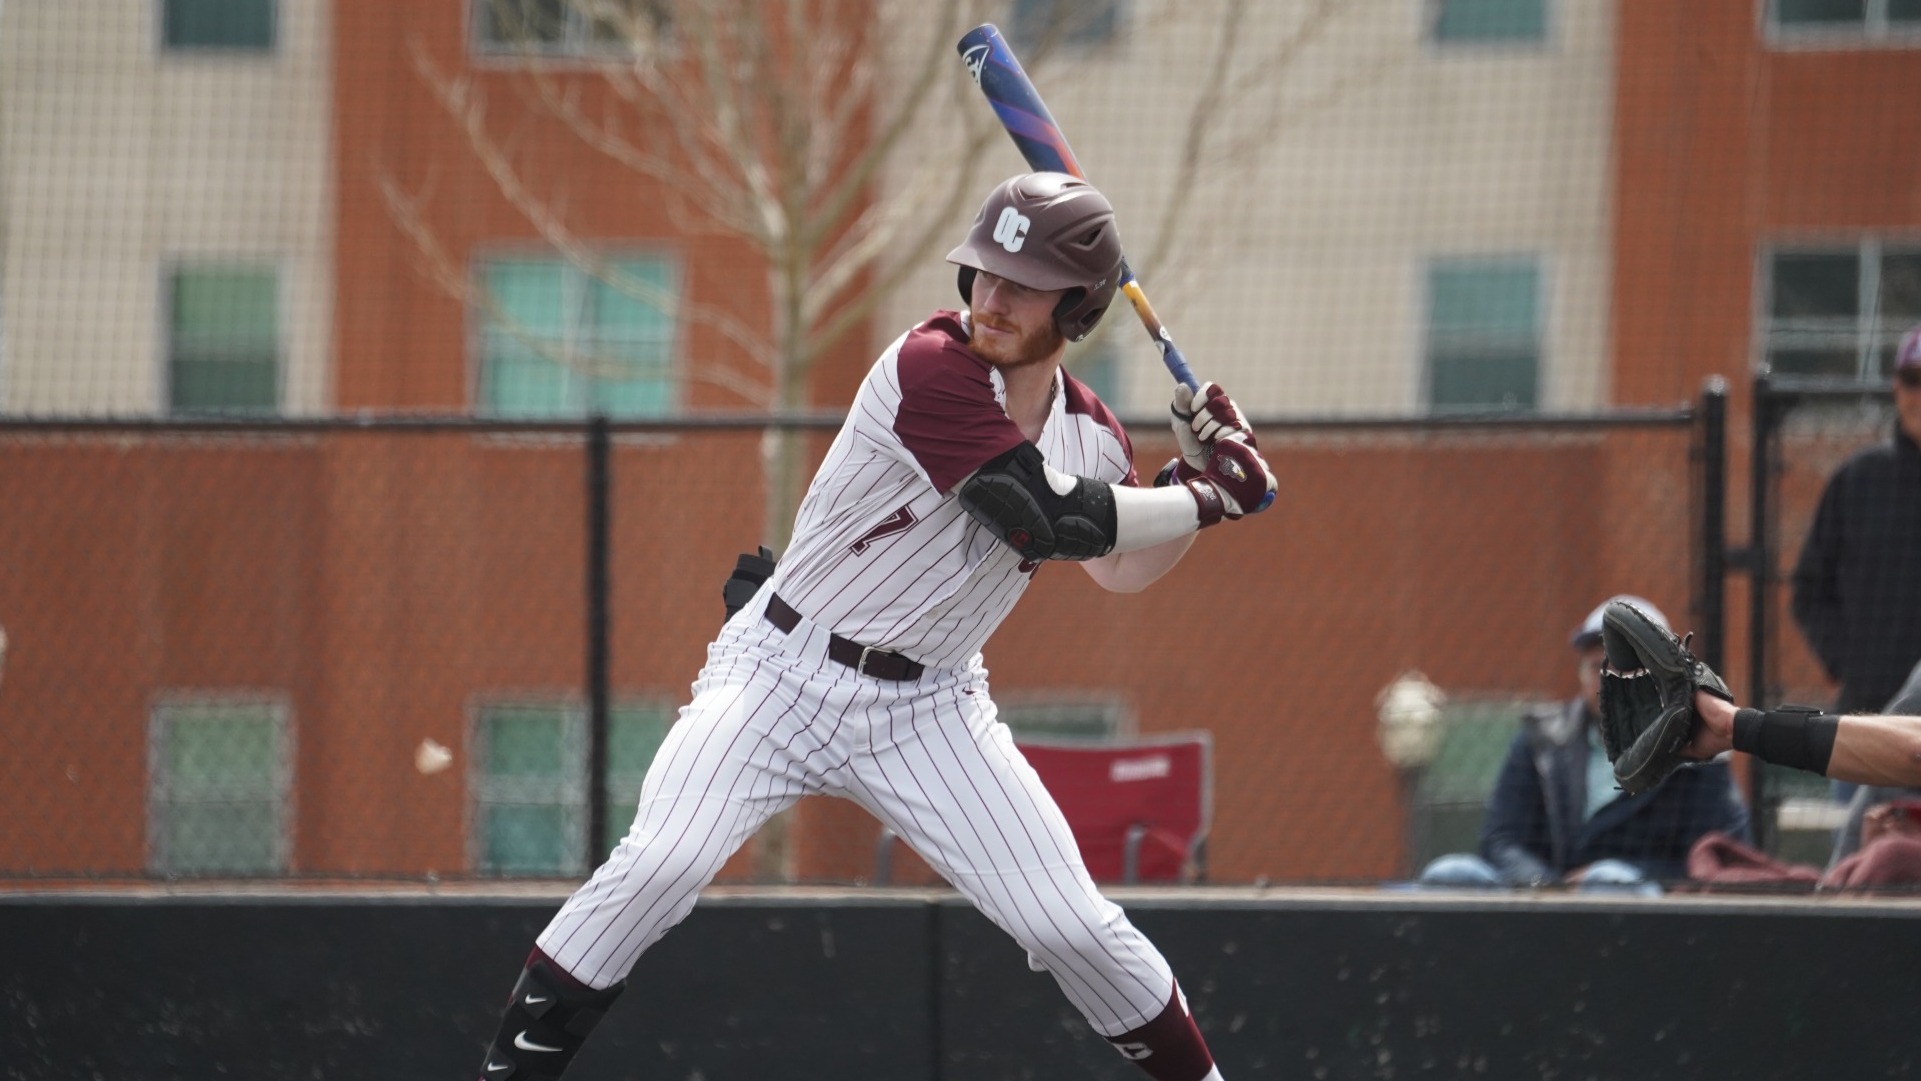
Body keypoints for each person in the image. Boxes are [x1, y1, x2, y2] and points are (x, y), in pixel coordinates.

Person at [469, 173, 1275, 1081]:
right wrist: (1209, 498)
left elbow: (1121, 567)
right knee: (662, 861)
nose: (992, 297)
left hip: (931, 709)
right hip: (779, 671)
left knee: (1070, 925)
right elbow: (1038, 516)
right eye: (984, 272)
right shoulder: (926, 366)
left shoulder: (1091, 437)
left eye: (1024, 282)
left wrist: (1187, 479)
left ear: (1081, 304)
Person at [1417, 597, 1750, 893]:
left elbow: (1718, 859)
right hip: (1542, 899)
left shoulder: (1700, 756)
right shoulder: (1541, 742)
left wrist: (1613, 877)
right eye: (1598, 667)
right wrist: (1550, 889)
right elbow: (1502, 840)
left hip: (1649, 913)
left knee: (1609, 881)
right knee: (1450, 874)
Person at [1789, 325, 1921, 722]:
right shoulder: (1858, 479)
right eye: (1913, 380)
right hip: (1867, 719)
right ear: (1896, 387)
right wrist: (1850, 662)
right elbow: (1809, 587)